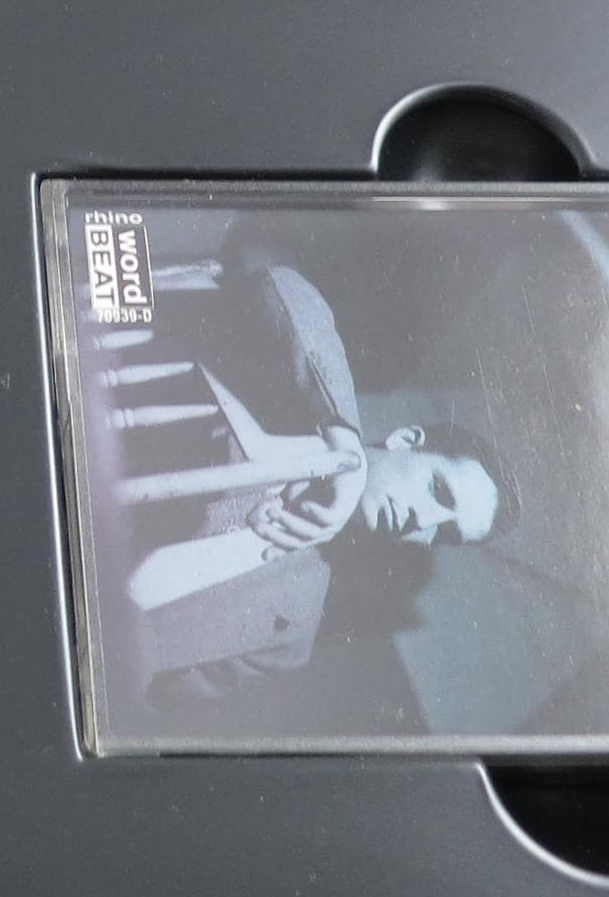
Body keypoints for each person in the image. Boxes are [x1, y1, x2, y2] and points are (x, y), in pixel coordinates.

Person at [118, 257, 512, 703]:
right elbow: (279, 283)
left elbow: (139, 696)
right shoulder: (298, 399)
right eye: (438, 490)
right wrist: (347, 456)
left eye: (444, 532)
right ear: (405, 440)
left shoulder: (291, 636)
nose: (423, 520)